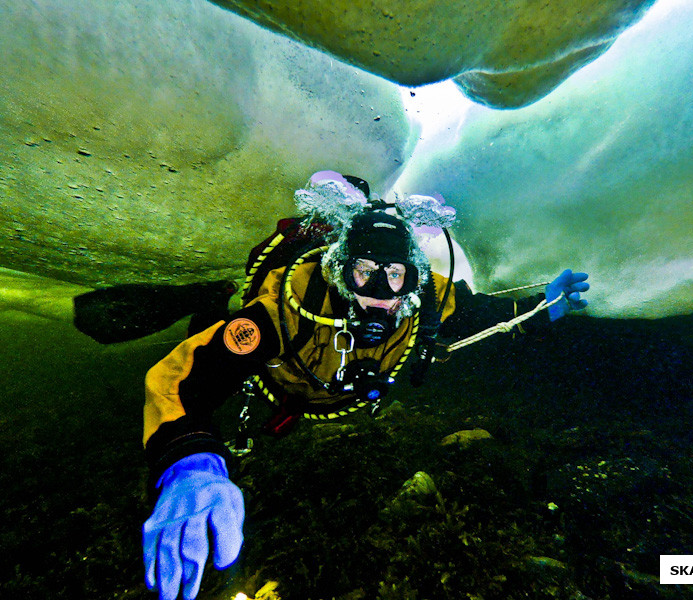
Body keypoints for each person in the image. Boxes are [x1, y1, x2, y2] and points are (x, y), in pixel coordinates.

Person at [141, 172, 590, 600]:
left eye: (395, 275)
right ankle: (206, 303)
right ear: (341, 268)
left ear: (411, 275)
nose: (381, 291)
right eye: (365, 272)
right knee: (210, 332)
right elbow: (180, 377)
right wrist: (189, 461)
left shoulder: (421, 298)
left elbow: (477, 314)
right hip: (281, 386)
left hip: (334, 395)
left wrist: (537, 310)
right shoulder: (284, 307)